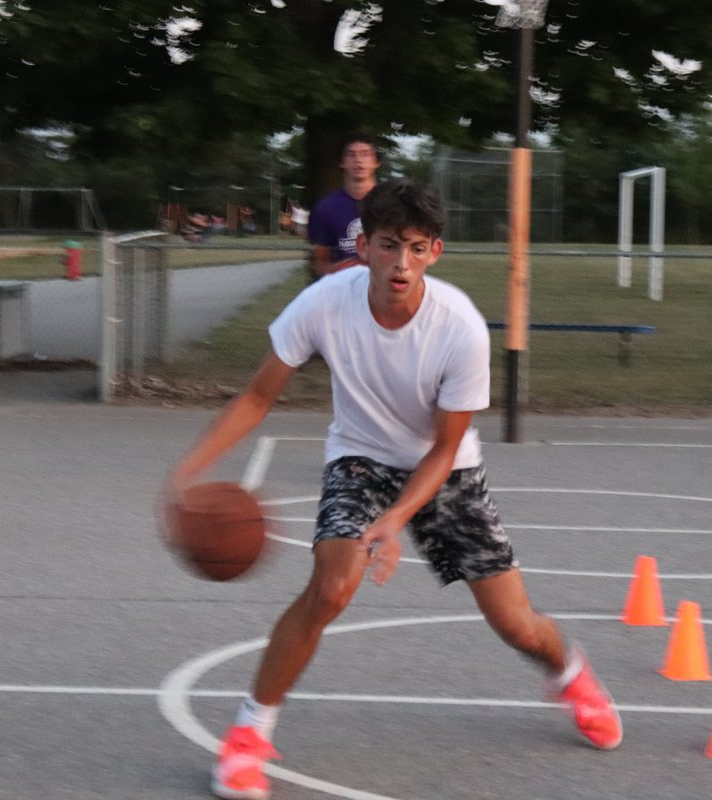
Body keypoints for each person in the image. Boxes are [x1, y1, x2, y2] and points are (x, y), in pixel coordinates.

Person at [167, 179, 622, 800]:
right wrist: (187, 470)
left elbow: (444, 448)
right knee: (330, 588)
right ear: (364, 247)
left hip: (445, 470)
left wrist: (397, 517)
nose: (401, 263)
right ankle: (249, 735)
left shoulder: (459, 328)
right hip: (360, 459)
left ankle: (570, 673)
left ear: (434, 251)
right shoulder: (324, 302)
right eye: (388, 245)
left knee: (517, 624)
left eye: (415, 247)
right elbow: (256, 395)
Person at [306, 131, 380, 279]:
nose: (358, 160)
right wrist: (337, 272)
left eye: (365, 154)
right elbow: (319, 261)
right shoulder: (325, 208)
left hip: (383, 287)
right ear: (342, 162)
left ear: (376, 162)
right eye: (351, 155)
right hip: (343, 287)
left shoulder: (393, 204)